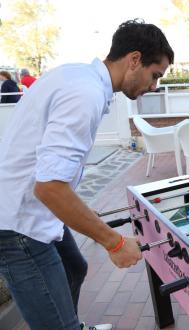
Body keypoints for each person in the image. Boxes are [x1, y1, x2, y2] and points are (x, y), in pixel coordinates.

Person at [0, 19, 174, 330]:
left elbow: (48, 166)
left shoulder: (78, 77)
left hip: (37, 208)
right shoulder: (86, 94)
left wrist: (76, 208)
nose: (154, 86)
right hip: (19, 225)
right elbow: (50, 187)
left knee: (74, 267)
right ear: (134, 60)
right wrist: (114, 243)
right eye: (155, 75)